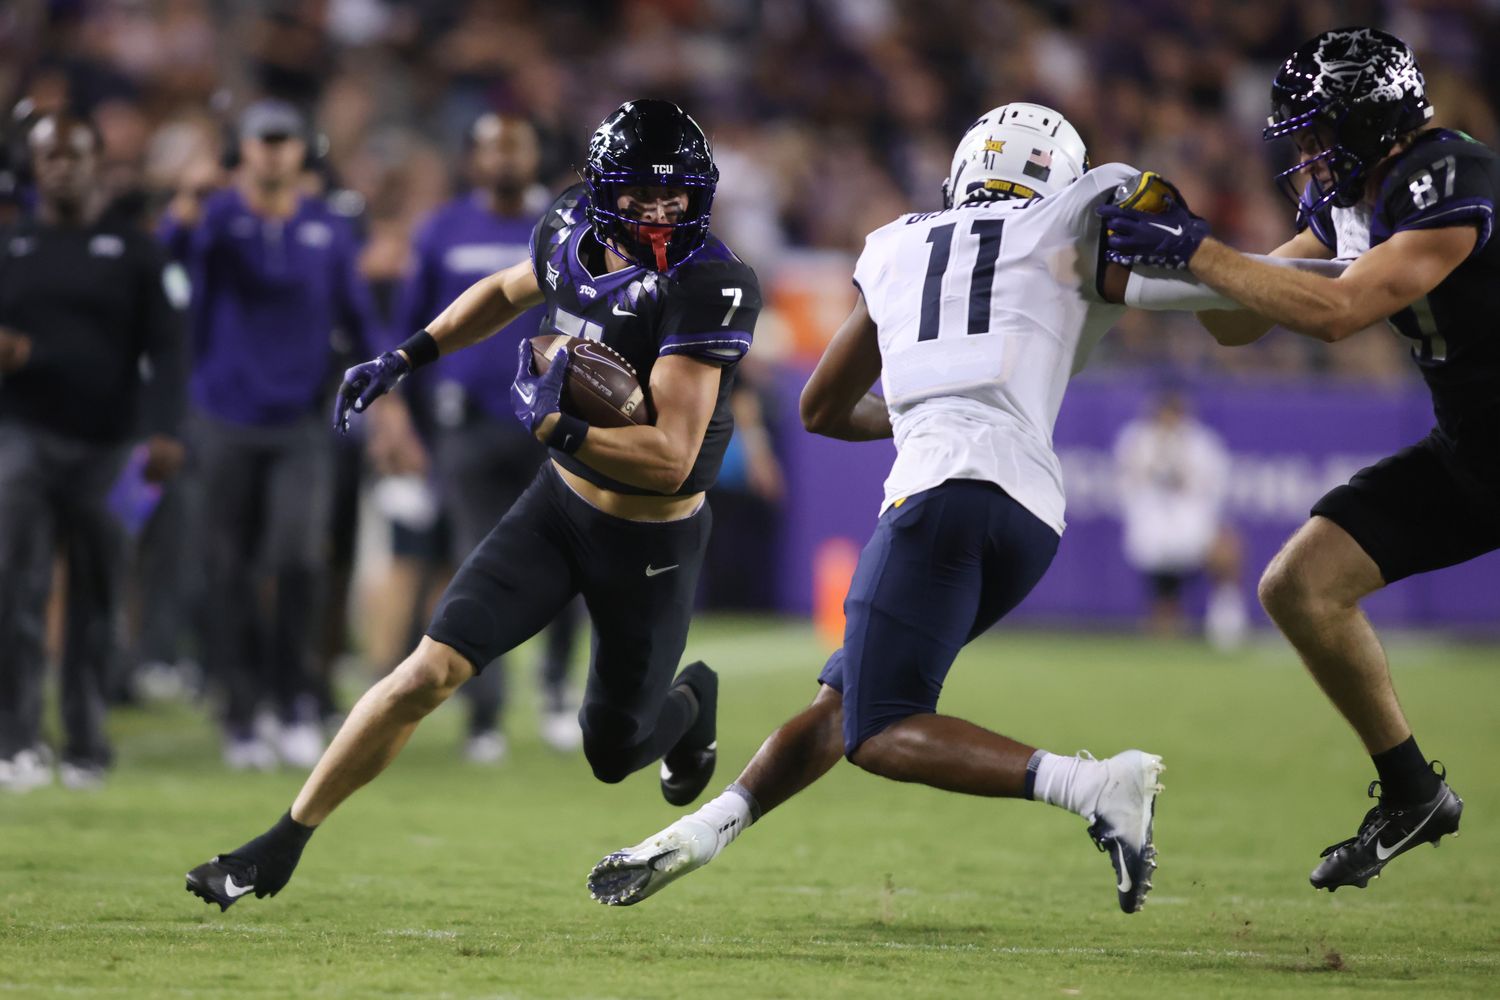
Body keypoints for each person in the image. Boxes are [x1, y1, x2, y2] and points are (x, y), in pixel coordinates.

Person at [585, 104, 1241, 916]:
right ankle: (700, 834)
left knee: (881, 729)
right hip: (1029, 515)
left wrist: (930, 404)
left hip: (942, 495)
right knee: (844, 705)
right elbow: (1226, 301)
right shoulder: (1081, 219)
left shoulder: (897, 242)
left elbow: (822, 407)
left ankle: (1096, 785)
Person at [184, 99, 761, 911]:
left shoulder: (712, 282)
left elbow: (669, 460)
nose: (664, 213)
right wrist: (406, 355)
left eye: (678, 196)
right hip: (558, 510)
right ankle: (276, 846)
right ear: (600, 191)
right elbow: (505, 290)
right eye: (642, 197)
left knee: (613, 748)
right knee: (427, 671)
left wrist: (554, 424)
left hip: (651, 538)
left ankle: (691, 700)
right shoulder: (567, 228)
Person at [1098, 27, 1487, 891]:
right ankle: (1412, 791)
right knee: (1298, 586)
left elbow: (1341, 311)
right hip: (1475, 455)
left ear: (1371, 121)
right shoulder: (1354, 196)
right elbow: (1238, 319)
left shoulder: (1448, 176)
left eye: (1320, 131)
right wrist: (1173, 254)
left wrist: (1202, 253)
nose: (1308, 153)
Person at [159, 99, 396, 771]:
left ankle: (293, 701)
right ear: (244, 149)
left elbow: (356, 313)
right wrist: (184, 203)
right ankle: (241, 711)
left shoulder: (325, 225)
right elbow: (166, 264)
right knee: (227, 570)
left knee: (297, 559)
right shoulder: (216, 219)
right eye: (262, 141)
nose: (272, 152)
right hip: (223, 415)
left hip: (301, 419)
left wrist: (388, 387)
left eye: (283, 140)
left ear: (300, 151)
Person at [0, 111, 187, 791]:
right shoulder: (11, 247)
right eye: (50, 156)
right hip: (22, 435)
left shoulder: (136, 250)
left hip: (116, 444)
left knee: (101, 592)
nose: (62, 167)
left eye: (75, 155)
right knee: (13, 587)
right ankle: (15, 738)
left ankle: (86, 740)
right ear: (33, 165)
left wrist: (167, 430)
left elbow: (169, 348)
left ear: (97, 163)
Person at [391, 111, 583, 762]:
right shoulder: (442, 228)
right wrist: (404, 423)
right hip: (465, 425)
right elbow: (414, 327)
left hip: (554, 421)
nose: (504, 158)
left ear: (535, 152)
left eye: (516, 145)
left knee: (569, 559)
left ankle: (558, 691)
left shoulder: (567, 224)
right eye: (492, 148)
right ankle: (485, 715)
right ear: (472, 159)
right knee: (478, 565)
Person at [1114, 389, 1246, 648]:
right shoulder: (1137, 439)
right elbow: (1128, 486)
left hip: (1192, 525)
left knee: (1228, 549)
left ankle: (1226, 623)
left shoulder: (1201, 441)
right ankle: (1167, 623)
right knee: (1165, 617)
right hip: (1152, 528)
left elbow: (1213, 487)